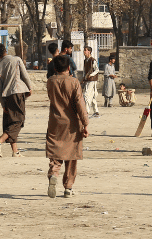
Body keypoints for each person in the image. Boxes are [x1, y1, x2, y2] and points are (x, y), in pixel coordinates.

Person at [44, 55, 89, 198]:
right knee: (71, 155)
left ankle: (53, 173)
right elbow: (80, 104)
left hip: (55, 122)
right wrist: (85, 123)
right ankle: (68, 187)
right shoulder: (74, 82)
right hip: (72, 123)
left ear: (55, 68)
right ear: (69, 67)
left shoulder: (50, 82)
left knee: (56, 152)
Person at [0, 43, 34, 158]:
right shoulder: (16, 59)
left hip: (7, 96)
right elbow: (24, 75)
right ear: (5, 50)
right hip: (17, 92)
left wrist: (3, 103)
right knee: (18, 120)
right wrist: (29, 87)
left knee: (10, 121)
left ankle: (15, 151)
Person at [82, 46, 100, 118]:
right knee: (92, 97)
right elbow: (85, 71)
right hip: (88, 80)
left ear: (89, 51)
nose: (84, 52)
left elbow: (97, 70)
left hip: (92, 80)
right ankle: (96, 111)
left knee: (86, 95)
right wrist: (84, 78)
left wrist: (91, 75)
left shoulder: (93, 60)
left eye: (85, 50)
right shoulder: (85, 60)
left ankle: (86, 111)